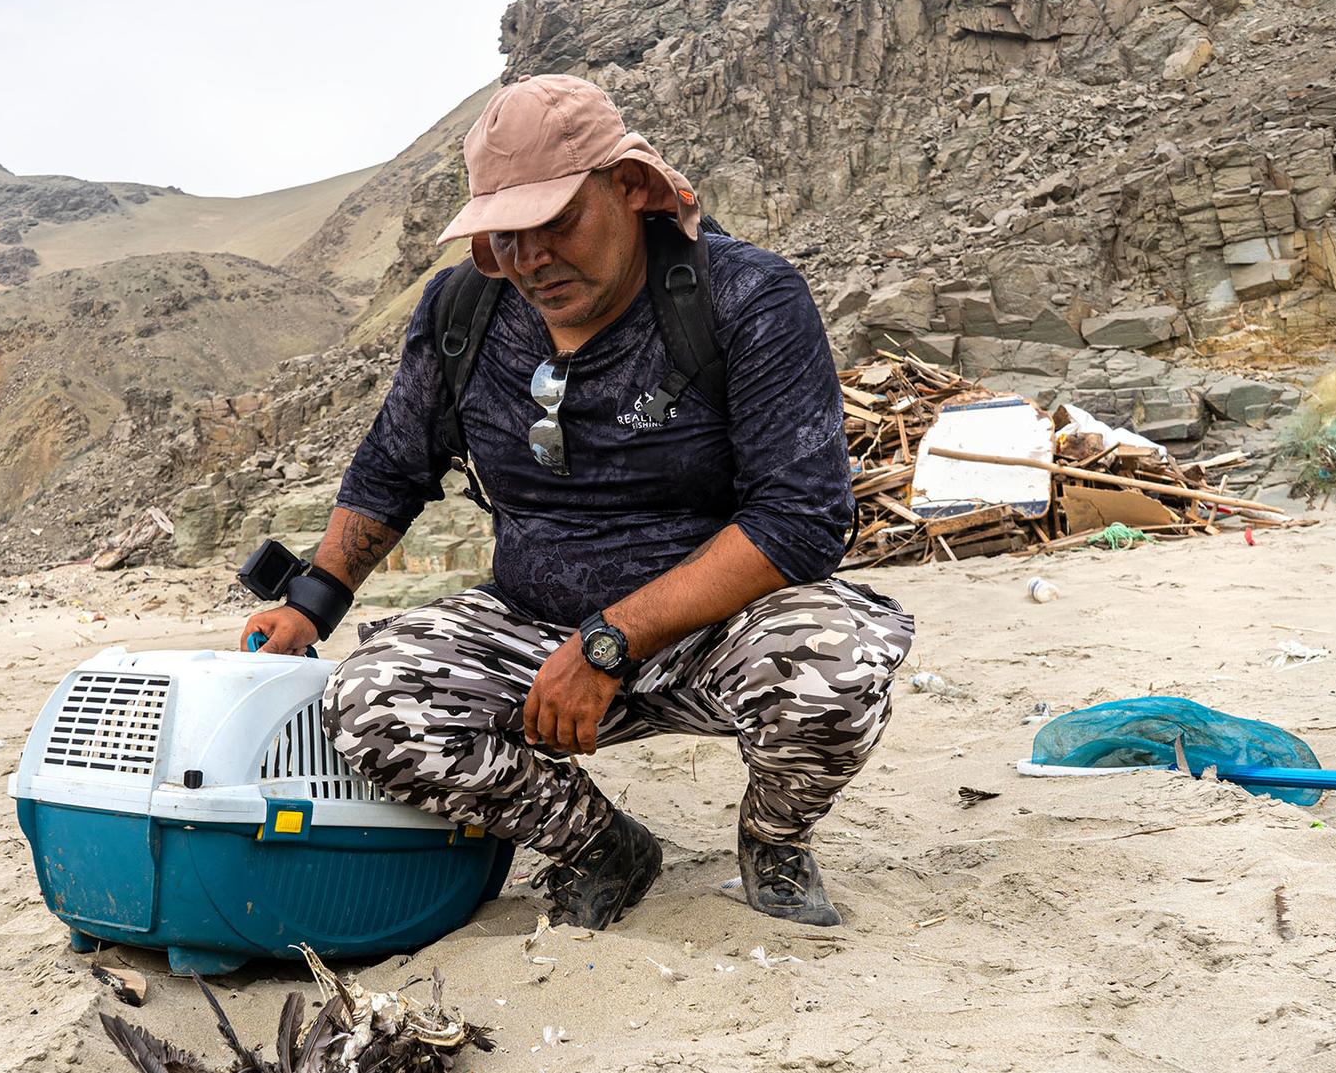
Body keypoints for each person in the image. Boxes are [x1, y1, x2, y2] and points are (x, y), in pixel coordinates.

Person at [241, 75, 913, 930]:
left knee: (834, 667)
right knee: (369, 700)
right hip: (531, 624)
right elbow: (391, 469)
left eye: (556, 224)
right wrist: (313, 601)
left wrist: (608, 644)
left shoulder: (746, 297)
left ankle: (774, 840)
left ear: (630, 187)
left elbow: (801, 521)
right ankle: (599, 845)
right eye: (504, 236)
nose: (530, 261)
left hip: (716, 631)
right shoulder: (462, 312)